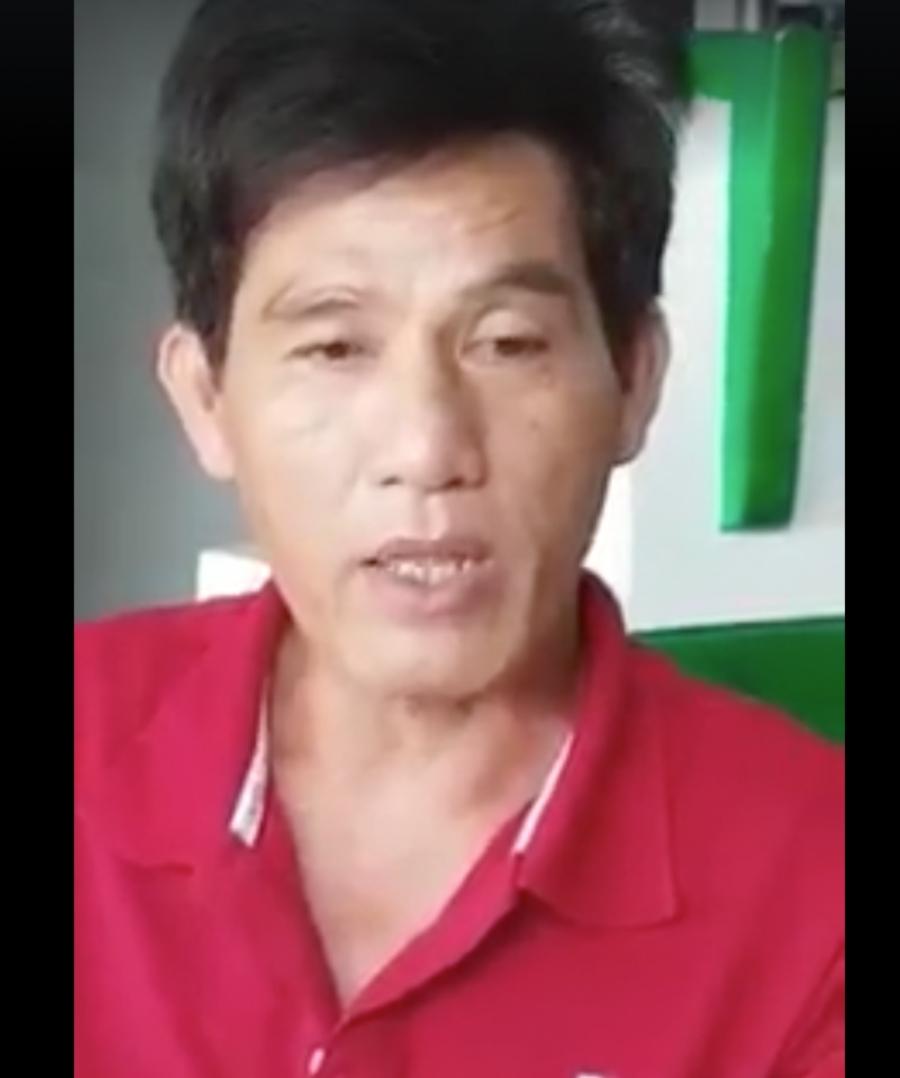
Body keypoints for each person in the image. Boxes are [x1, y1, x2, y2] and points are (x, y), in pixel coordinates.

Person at [74, 1, 844, 1075]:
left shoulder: (817, 893)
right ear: (206, 397)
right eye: (336, 347)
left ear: (634, 379)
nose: (428, 447)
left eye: (508, 342)